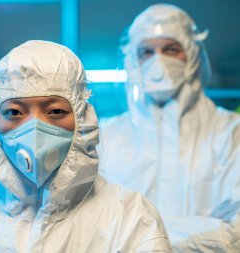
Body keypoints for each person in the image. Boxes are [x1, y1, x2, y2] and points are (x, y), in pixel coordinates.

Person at [0, 40, 171, 252]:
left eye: (56, 110)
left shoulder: (130, 216)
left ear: (83, 119)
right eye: (15, 111)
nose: (34, 129)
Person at [98, 4, 240, 252]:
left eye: (171, 49)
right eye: (146, 52)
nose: (158, 60)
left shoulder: (231, 132)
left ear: (192, 56)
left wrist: (139, 238)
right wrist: (204, 228)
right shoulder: (105, 136)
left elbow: (236, 234)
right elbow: (91, 227)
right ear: (133, 61)